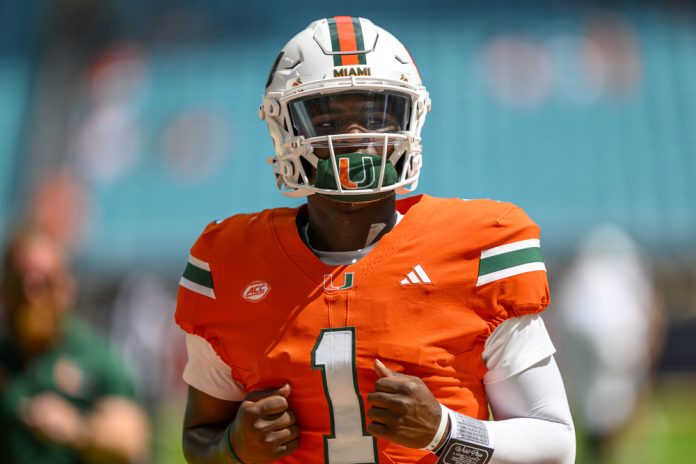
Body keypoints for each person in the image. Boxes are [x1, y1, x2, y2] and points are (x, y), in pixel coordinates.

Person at [176, 16, 575, 464]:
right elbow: (199, 441)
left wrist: (445, 432)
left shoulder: (477, 249)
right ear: (285, 127)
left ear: (411, 118)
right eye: (326, 115)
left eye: (376, 112)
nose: (355, 134)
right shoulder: (232, 262)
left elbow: (555, 445)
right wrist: (235, 448)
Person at [0, 227, 150, 463]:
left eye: (45, 283)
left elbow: (131, 440)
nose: (31, 294)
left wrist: (77, 429)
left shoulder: (93, 356)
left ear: (66, 287)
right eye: (21, 282)